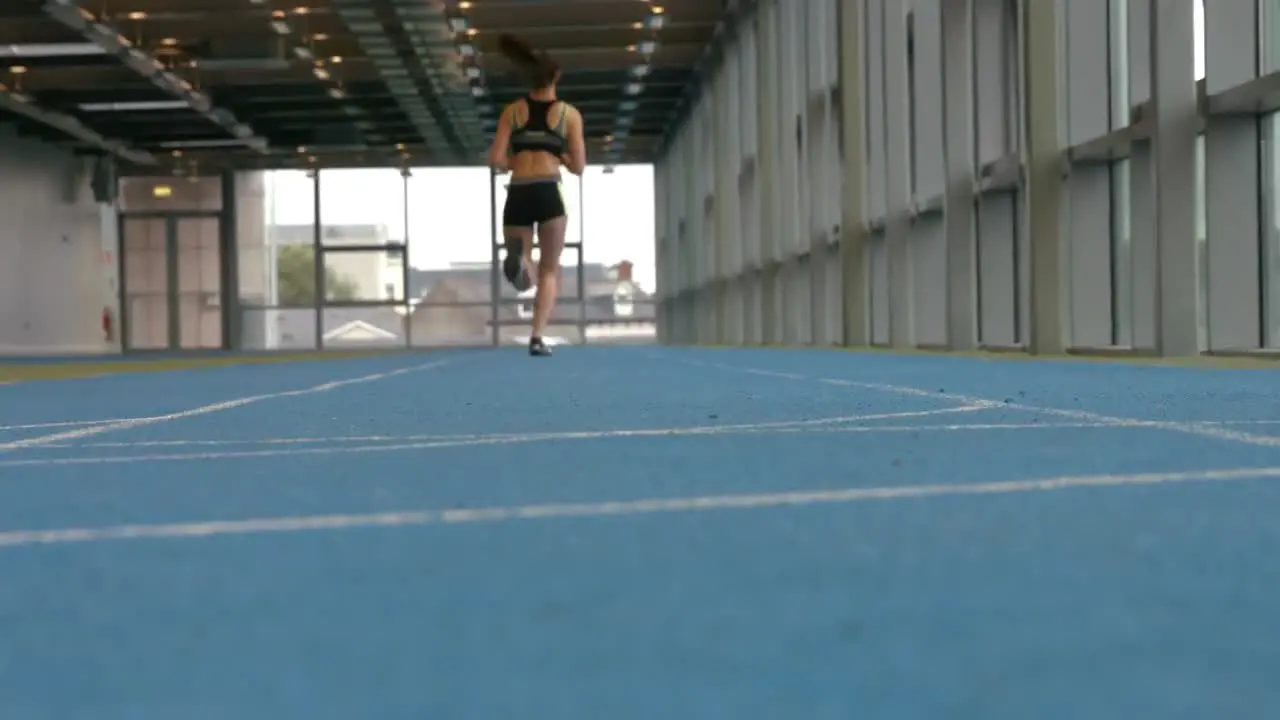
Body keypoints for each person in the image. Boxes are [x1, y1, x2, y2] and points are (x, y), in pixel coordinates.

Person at [488, 33, 587, 357]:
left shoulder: (512, 111)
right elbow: (579, 167)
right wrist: (561, 156)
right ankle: (537, 337)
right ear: (556, 77)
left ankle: (521, 261)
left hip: (518, 189)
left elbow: (495, 160)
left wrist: (513, 161)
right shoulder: (568, 115)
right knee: (549, 268)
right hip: (548, 189)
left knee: (528, 268)